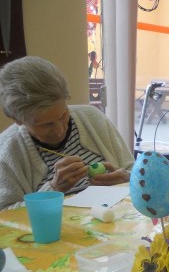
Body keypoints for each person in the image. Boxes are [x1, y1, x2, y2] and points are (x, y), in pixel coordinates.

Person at [0, 56, 134, 210]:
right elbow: (5, 216)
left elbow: (139, 174)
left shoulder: (92, 118)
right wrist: (53, 189)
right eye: (46, 124)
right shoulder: (8, 151)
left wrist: (127, 178)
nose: (59, 131)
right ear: (18, 120)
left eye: (63, 115)